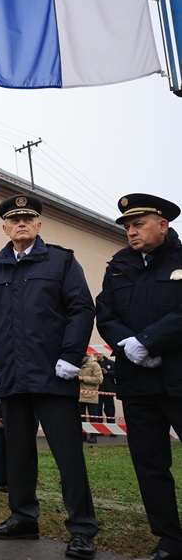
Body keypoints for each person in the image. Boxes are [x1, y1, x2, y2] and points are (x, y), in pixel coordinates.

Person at [0, 194, 98, 559]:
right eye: (15, 220)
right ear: (5, 228)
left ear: (39, 224)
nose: (22, 223)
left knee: (68, 457)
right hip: (12, 377)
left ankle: (82, 529)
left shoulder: (61, 261)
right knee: (19, 455)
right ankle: (24, 517)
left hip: (54, 376)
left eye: (28, 218)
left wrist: (71, 356)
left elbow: (81, 308)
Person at [96, 193, 182, 560]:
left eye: (138, 224)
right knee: (149, 462)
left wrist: (147, 341)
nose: (131, 232)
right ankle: (169, 538)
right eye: (127, 226)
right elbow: (105, 312)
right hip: (137, 382)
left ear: (163, 224)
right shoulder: (118, 265)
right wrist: (126, 343)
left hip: (178, 376)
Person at [78, 355, 103, 444]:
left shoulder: (94, 365)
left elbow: (99, 379)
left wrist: (83, 378)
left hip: (91, 395)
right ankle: (82, 436)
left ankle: (93, 436)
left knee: (93, 417)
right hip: (80, 395)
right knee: (81, 418)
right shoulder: (78, 364)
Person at [96, 354, 117, 429]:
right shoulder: (94, 364)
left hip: (109, 390)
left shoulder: (111, 362)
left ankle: (112, 428)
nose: (97, 355)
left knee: (110, 409)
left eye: (98, 354)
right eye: (95, 354)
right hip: (97, 390)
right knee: (98, 409)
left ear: (102, 354)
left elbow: (117, 374)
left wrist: (107, 372)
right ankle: (99, 428)